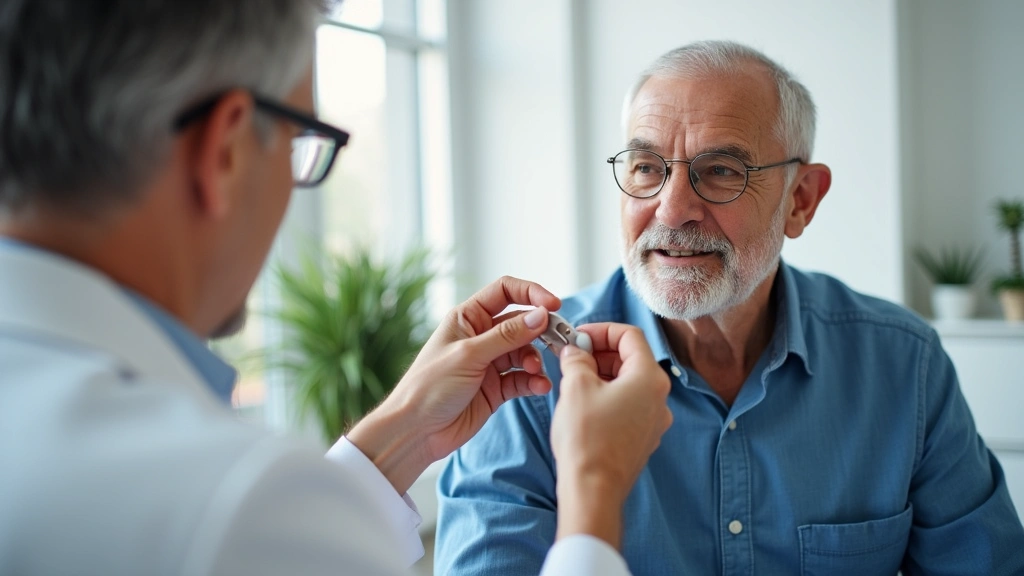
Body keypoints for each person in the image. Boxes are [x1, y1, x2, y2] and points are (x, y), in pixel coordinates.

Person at [0, 1, 673, 575]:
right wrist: (593, 481)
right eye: (302, 141)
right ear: (226, 150)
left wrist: (405, 429)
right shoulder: (233, 504)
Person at [436, 40, 1024, 575]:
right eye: (646, 168)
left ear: (800, 200)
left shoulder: (903, 365)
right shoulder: (530, 378)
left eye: (721, 171)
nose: (671, 210)